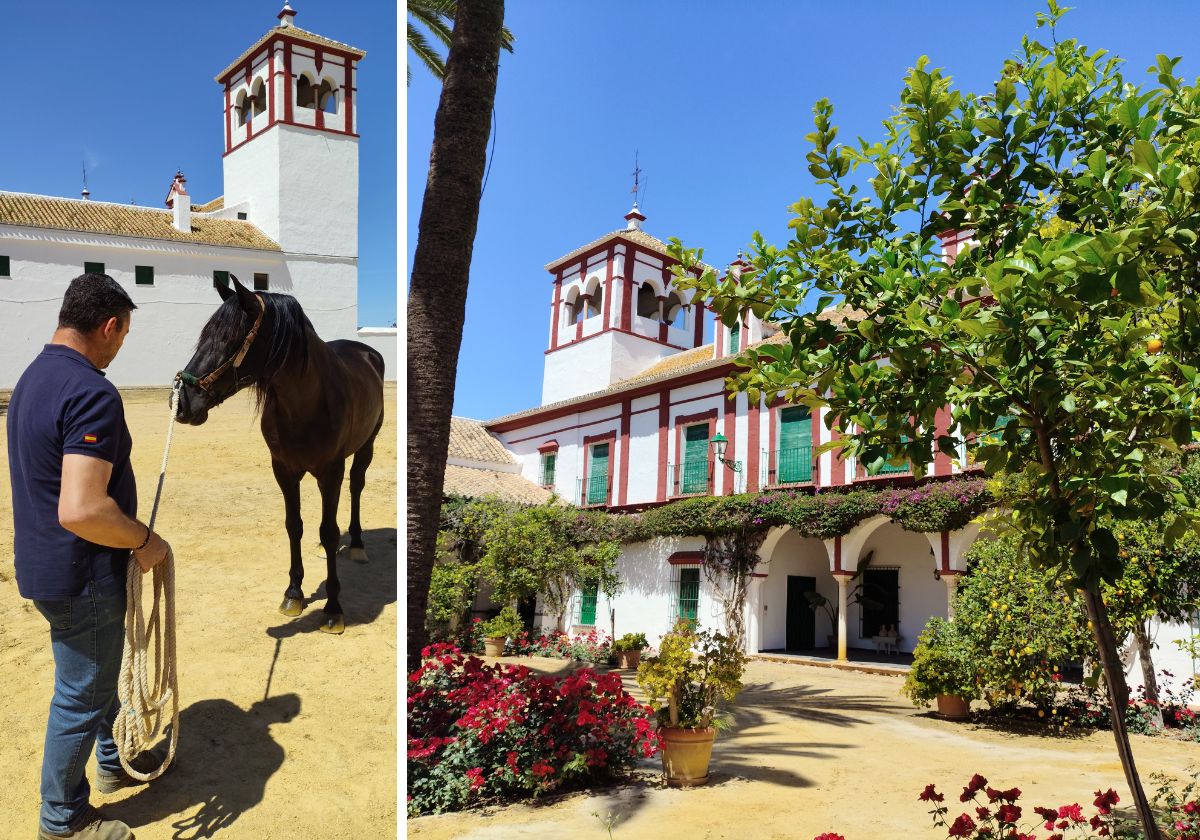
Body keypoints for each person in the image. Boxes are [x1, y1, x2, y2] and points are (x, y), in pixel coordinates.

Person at [7, 273, 171, 840]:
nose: (120, 346)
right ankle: (63, 820)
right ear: (108, 326)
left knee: (95, 677)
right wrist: (147, 542)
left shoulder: (31, 378)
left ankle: (109, 763)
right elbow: (81, 509)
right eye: (123, 336)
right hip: (82, 574)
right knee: (81, 694)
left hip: (44, 567)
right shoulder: (91, 391)